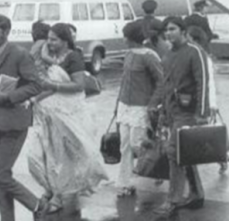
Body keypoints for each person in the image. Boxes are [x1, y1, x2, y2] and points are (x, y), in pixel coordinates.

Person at [27, 23, 108, 214]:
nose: (49, 42)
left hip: (69, 114)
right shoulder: (53, 57)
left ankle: (60, 194)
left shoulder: (74, 57)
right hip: (50, 114)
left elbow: (78, 86)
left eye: (54, 39)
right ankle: (52, 188)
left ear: (65, 41)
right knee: (42, 154)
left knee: (64, 157)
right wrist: (33, 100)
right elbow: (48, 87)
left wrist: (53, 85)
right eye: (48, 39)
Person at [0, 14, 47, 221]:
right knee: (0, 181)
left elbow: (35, 85)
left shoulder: (19, 54)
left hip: (14, 124)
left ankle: (38, 206)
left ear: (7, 32)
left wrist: (8, 96)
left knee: (2, 177)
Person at [152, 17, 211, 218]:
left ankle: (173, 200)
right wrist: (160, 110)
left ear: (183, 31)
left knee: (173, 152)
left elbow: (203, 82)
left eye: (172, 29)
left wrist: (202, 113)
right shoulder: (168, 55)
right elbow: (165, 85)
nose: (168, 33)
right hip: (173, 111)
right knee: (185, 154)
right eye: (166, 30)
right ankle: (196, 194)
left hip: (189, 112)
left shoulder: (195, 52)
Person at [114, 21, 164, 198]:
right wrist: (116, 106)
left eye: (125, 36)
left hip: (141, 107)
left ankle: (159, 169)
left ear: (132, 38)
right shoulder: (128, 55)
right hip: (125, 106)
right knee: (124, 145)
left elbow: (161, 81)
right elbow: (124, 82)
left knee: (138, 144)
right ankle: (125, 183)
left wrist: (153, 104)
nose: (124, 39)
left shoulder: (150, 56)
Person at [186, 26, 229, 173]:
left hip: (202, 101)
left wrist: (212, 104)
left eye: (188, 37)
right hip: (190, 100)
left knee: (205, 133)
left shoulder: (204, 58)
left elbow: (209, 83)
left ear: (194, 40)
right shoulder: (190, 54)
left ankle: (221, 157)